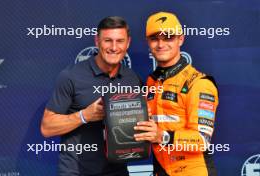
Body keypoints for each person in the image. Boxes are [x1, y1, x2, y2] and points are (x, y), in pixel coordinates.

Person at [40, 16, 141, 176]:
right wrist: (84, 115)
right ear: (97, 41)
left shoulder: (132, 78)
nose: (114, 47)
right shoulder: (71, 76)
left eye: (120, 41)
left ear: (128, 43)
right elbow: (47, 127)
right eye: (108, 40)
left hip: (117, 171)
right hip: (76, 171)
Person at [134, 12, 219, 176]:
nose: (160, 44)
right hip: (161, 170)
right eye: (154, 38)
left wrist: (163, 136)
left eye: (168, 37)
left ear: (181, 39)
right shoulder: (151, 82)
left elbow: (202, 141)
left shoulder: (199, 83)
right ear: (148, 43)